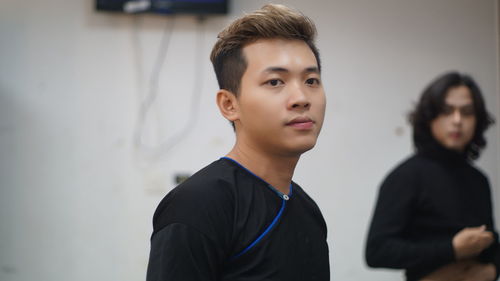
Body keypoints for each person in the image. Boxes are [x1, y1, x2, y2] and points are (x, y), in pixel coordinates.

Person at [146, 4, 329, 281]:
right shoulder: (200, 204)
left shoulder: (307, 209)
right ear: (230, 104)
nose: (301, 98)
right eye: (275, 82)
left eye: (311, 80)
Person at [365, 71, 497, 281]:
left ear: (477, 120)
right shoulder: (406, 176)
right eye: (446, 111)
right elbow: (377, 251)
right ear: (429, 117)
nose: (457, 120)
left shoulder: (479, 180)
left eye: (467, 112)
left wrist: (492, 270)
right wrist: (451, 249)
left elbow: (490, 244)